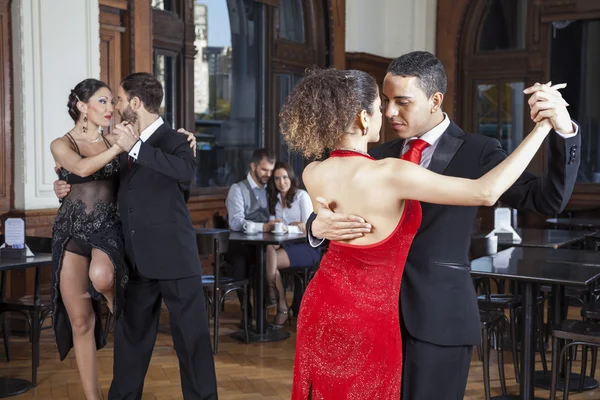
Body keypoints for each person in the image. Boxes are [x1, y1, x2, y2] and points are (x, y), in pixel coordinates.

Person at [279, 67, 570, 399]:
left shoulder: (312, 171)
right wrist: (541, 128)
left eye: (400, 101)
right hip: (372, 316)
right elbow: (485, 192)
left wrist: (317, 225)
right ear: (362, 119)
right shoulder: (390, 168)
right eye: (381, 104)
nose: (388, 113)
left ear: (435, 100)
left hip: (328, 304)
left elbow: (546, 198)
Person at [54, 72, 217, 399]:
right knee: (130, 346)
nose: (116, 105)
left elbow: (185, 173)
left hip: (174, 258)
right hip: (134, 259)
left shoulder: (176, 140)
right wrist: (66, 187)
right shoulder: (120, 141)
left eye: (120, 99)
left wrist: (137, 148)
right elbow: (102, 182)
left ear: (136, 103)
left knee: (192, 342)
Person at [50, 78, 128, 400]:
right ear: (83, 106)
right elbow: (80, 170)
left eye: (112, 101)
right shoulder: (61, 143)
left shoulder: (116, 140)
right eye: (102, 101)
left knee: (103, 277)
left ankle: (124, 310)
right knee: (80, 321)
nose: (110, 108)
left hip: (107, 228)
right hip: (70, 231)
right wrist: (116, 149)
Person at [225, 148, 278, 324]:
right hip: (241, 245)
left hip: (265, 246)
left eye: (271, 170)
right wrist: (264, 227)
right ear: (253, 166)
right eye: (264, 170)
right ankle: (246, 309)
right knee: (244, 263)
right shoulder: (237, 189)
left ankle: (263, 313)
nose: (268, 175)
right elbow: (235, 222)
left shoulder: (270, 189)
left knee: (267, 259)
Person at [264, 162, 320, 328]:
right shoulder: (275, 199)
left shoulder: (301, 196)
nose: (281, 182)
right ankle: (280, 303)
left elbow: (309, 225)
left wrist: (291, 226)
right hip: (284, 245)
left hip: (306, 247)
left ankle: (275, 295)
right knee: (268, 249)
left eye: (284, 177)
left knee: (268, 260)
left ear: (291, 178)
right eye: (277, 178)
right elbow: (273, 224)